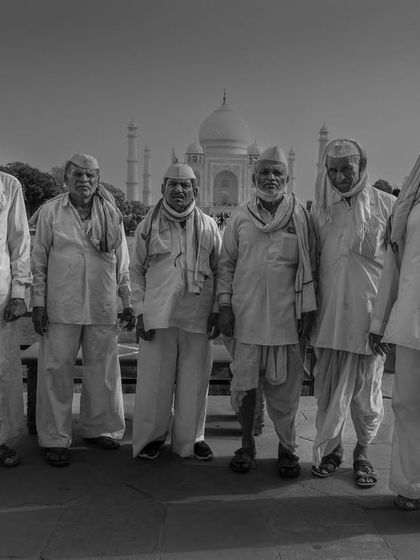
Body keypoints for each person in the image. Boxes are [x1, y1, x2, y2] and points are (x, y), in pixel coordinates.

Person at [31, 154, 135, 467]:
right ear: (67, 177)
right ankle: (54, 437)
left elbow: (123, 264)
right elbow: (38, 262)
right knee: (56, 372)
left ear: (98, 179)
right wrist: (38, 302)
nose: (84, 181)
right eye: (78, 174)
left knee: (103, 371)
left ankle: (101, 428)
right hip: (61, 305)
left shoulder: (111, 213)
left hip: (102, 305)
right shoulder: (52, 212)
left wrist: (127, 300)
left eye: (90, 175)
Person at [217, 146, 316, 476]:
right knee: (244, 386)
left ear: (287, 178)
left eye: (277, 173)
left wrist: (309, 311)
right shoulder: (240, 218)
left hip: (288, 318)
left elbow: (311, 267)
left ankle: (287, 448)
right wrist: (225, 305)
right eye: (264, 173)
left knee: (286, 392)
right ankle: (247, 445)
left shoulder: (300, 217)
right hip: (247, 315)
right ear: (253, 177)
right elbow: (227, 264)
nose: (270, 178)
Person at [310, 138, 394, 487]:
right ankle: (333, 452)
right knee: (329, 391)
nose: (341, 176)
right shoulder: (320, 210)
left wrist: (384, 323)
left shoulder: (387, 206)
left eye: (347, 168)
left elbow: (395, 270)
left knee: (366, 396)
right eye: (333, 170)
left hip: (368, 321)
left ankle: (362, 453)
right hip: (328, 319)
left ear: (362, 165)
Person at [131, 163, 221, 461]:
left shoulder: (209, 225)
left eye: (186, 185)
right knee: (154, 382)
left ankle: (191, 438)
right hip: (159, 314)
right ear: (162, 188)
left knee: (195, 381)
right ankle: (152, 438)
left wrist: (218, 310)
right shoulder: (148, 225)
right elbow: (135, 272)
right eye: (173, 184)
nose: (179, 190)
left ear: (196, 190)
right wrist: (140, 310)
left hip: (197, 312)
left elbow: (221, 271)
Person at [369, 154, 420, 510]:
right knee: (408, 404)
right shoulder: (408, 208)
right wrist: (379, 322)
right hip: (412, 320)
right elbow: (393, 268)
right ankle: (411, 484)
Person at [0, 171, 31, 466]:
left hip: (1, 295)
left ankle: (0, 440)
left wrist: (20, 292)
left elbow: (20, 243)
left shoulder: (8, 185)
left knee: (1, 369)